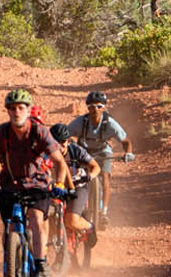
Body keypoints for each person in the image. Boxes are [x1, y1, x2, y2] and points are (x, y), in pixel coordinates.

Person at [0, 87, 69, 277]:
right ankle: (8, 273)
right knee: (9, 229)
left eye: (20, 108)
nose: (16, 112)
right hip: (10, 186)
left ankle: (40, 265)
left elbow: (59, 162)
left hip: (37, 185)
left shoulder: (40, 132)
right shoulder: (0, 133)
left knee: (36, 218)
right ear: (8, 111)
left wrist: (58, 183)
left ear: (28, 110)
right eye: (12, 108)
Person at [57, 91, 135, 220]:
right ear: (88, 108)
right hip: (84, 151)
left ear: (104, 107)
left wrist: (129, 153)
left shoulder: (110, 123)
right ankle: (77, 205)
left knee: (105, 175)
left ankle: (103, 212)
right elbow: (65, 134)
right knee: (77, 175)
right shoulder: (80, 122)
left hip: (103, 151)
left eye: (99, 106)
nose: (95, 110)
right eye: (92, 107)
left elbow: (126, 141)